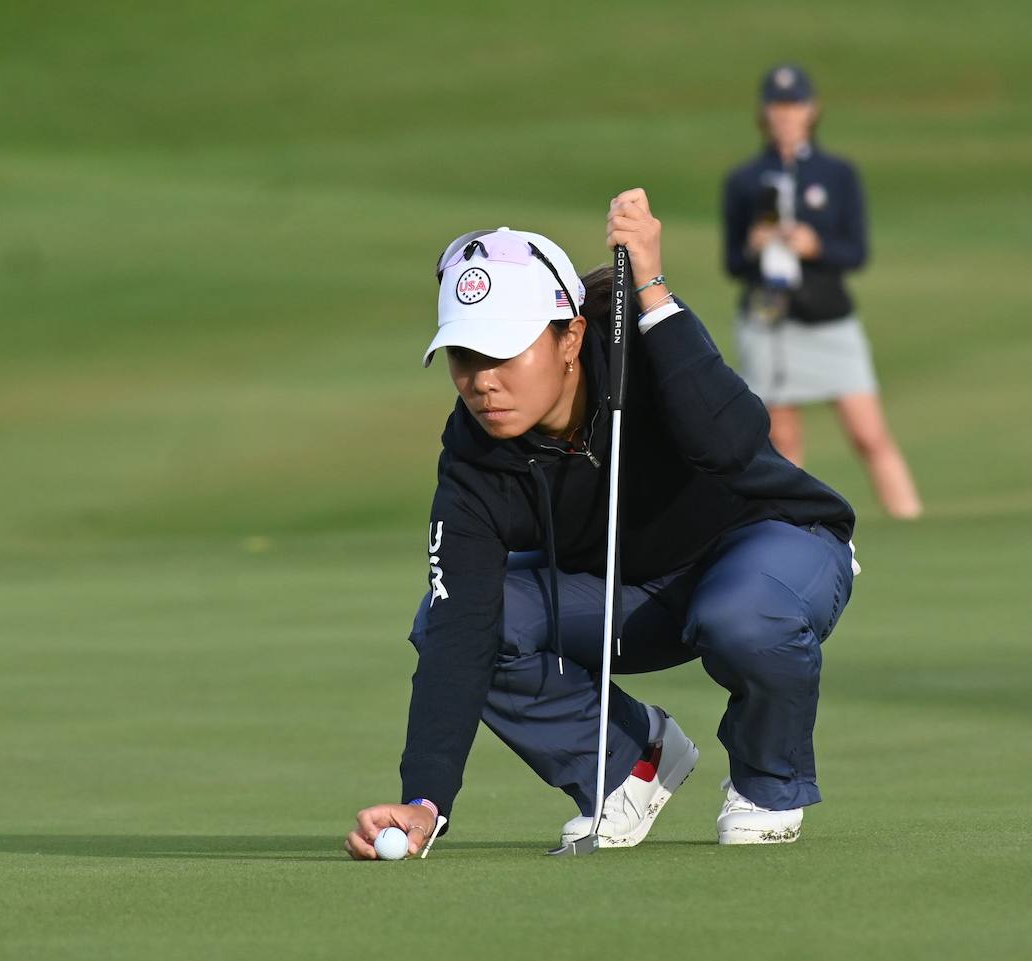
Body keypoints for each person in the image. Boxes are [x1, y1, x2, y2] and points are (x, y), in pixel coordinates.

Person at [345, 189, 859, 859]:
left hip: (772, 547)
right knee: (463, 620)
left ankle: (770, 782)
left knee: (743, 615)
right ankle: (629, 763)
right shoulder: (476, 457)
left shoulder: (643, 345)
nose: (481, 381)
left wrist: (651, 289)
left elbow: (733, 442)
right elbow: (460, 624)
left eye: (504, 350)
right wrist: (424, 800)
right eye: (464, 355)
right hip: (633, 589)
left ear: (571, 337)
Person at [723, 63, 923, 519]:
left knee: (868, 433)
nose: (786, 115)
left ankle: (911, 520)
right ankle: (790, 525)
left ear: (811, 110)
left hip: (828, 315)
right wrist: (754, 246)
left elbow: (855, 253)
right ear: (764, 112)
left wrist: (815, 245)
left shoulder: (837, 174)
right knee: (784, 439)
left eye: (794, 106)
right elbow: (732, 263)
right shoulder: (745, 180)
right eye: (777, 106)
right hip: (769, 318)